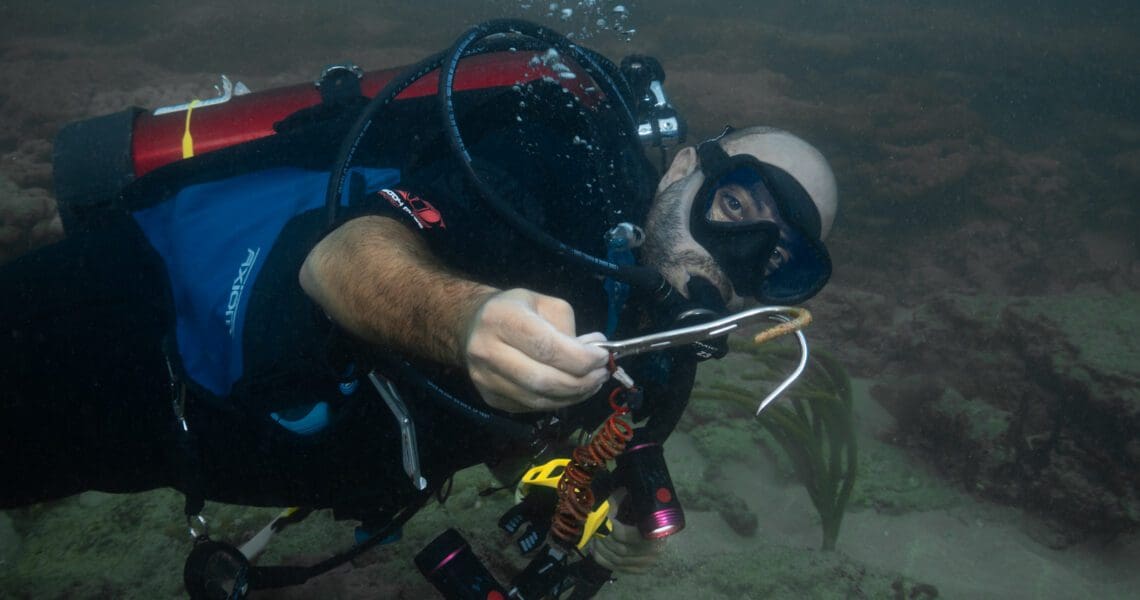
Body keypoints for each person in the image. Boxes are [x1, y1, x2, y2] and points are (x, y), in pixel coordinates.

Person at [0, 32, 836, 587]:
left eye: (779, 261)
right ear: (688, 164)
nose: (736, 261)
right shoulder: (551, 161)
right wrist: (467, 320)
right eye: (736, 209)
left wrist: (584, 510)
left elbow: (532, 447)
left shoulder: (663, 363)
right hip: (140, 305)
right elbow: (344, 256)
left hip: (207, 437)